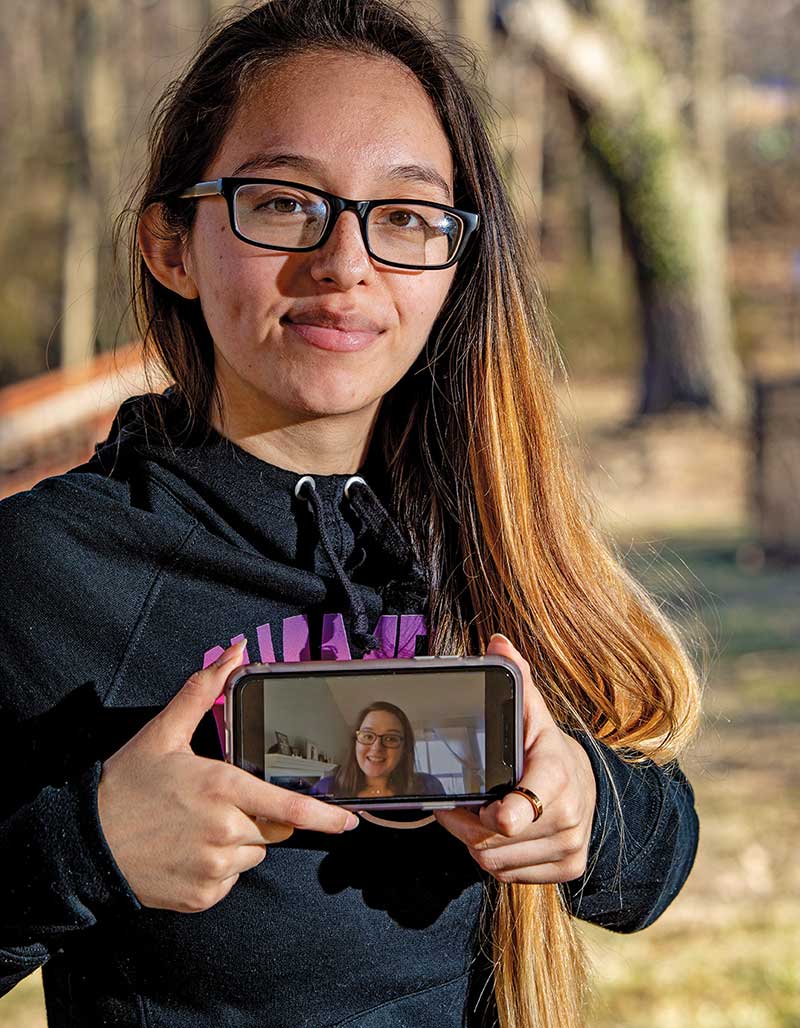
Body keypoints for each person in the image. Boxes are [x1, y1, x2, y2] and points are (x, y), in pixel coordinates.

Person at [0, 1, 702, 1025]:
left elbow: (659, 856)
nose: (345, 262)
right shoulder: (44, 568)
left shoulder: (493, 531)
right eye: (283, 203)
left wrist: (584, 810)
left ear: (454, 262)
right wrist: (87, 848)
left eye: (407, 215)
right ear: (171, 243)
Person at [310, 700, 446, 798]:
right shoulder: (325, 789)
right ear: (355, 742)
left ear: (404, 749)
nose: (376, 748)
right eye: (368, 736)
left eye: (391, 738)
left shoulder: (428, 787)